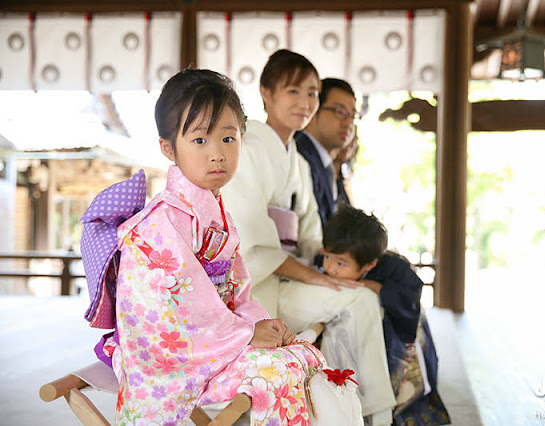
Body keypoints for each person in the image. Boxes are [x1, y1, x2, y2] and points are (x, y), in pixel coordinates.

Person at [85, 69, 331, 425]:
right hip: (166, 359)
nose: (217, 153)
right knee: (277, 372)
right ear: (168, 147)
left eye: (228, 139)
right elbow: (169, 316)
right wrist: (246, 334)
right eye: (200, 140)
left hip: (214, 341)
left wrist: (265, 324)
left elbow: (237, 292)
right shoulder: (161, 223)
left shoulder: (216, 212)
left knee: (303, 355)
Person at [223, 50, 396, 425]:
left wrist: (337, 266)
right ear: (266, 92)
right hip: (250, 291)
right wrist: (315, 276)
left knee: (360, 299)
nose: (305, 103)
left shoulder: (297, 161)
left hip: (286, 278)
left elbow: (312, 239)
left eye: (313, 94)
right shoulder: (246, 147)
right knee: (345, 299)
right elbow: (252, 241)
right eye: (294, 92)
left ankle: (370, 413)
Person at [320, 205, 451, 426]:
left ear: (370, 263)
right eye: (328, 258)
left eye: (340, 263)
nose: (331, 268)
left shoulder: (396, 268)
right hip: (368, 330)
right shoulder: (340, 262)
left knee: (405, 385)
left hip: (401, 331)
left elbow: (410, 297)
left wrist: (375, 287)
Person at [294, 78, 358, 228]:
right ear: (313, 109)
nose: (348, 123)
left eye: (352, 115)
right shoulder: (300, 155)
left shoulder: (324, 162)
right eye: (340, 112)